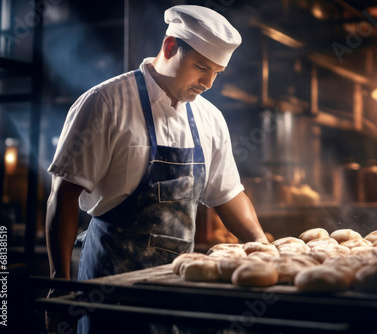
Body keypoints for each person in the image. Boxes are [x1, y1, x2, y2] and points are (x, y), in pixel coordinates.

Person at [45, 5, 268, 333]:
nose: (207, 82)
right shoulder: (106, 104)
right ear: (169, 47)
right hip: (109, 289)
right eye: (200, 67)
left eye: (216, 73)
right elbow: (63, 198)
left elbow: (228, 195)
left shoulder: (210, 118)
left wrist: (261, 246)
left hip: (176, 290)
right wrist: (59, 285)